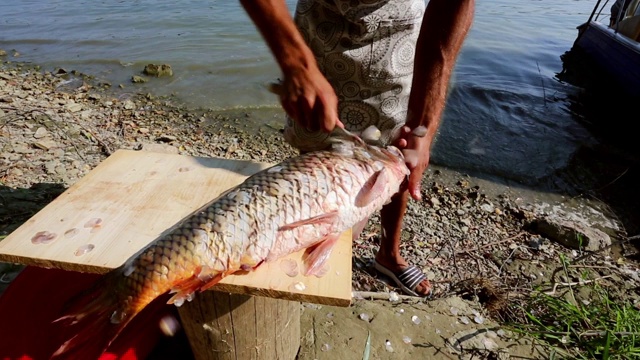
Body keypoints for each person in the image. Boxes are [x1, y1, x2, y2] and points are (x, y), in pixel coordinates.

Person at [240, 0, 474, 297]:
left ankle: (388, 253)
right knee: (317, 144)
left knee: (400, 152)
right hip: (321, 25)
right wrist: (296, 62)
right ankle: (321, 243)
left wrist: (424, 123)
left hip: (398, 31)